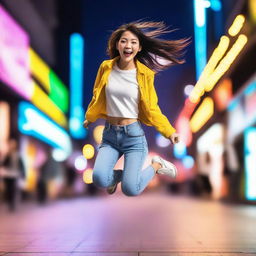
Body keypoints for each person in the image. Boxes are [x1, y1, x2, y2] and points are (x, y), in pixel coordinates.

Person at [83, 21, 189, 196]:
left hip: (133, 137)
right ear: (117, 45)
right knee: (100, 178)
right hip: (110, 135)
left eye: (133, 42)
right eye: (124, 41)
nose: (128, 45)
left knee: (131, 189)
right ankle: (116, 177)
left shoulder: (145, 74)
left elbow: (152, 108)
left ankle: (157, 165)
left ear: (139, 48)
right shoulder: (106, 68)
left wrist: (170, 132)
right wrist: (91, 117)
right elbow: (98, 95)